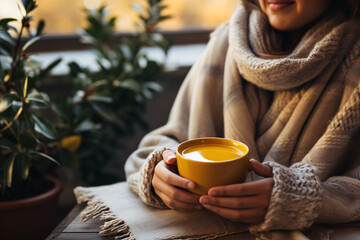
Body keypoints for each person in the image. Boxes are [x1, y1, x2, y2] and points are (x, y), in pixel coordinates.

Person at [125, 0, 360, 237]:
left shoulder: (355, 59)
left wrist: (303, 198)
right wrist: (161, 172)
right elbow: (168, 141)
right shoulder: (227, 41)